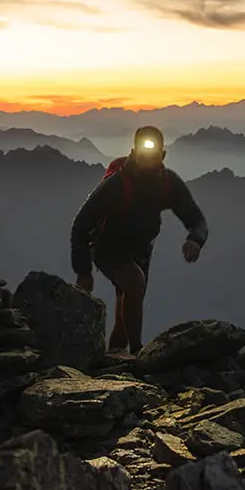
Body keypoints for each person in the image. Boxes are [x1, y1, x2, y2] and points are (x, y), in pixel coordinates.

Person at [70, 125, 209, 354]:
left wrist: (195, 239)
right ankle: (137, 353)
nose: (147, 160)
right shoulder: (117, 184)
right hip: (107, 246)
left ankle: (115, 360)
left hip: (140, 251)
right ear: (133, 153)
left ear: (163, 156)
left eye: (153, 154)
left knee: (126, 312)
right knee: (135, 283)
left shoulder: (167, 184)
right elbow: (81, 223)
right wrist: (83, 270)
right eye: (143, 154)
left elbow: (197, 219)